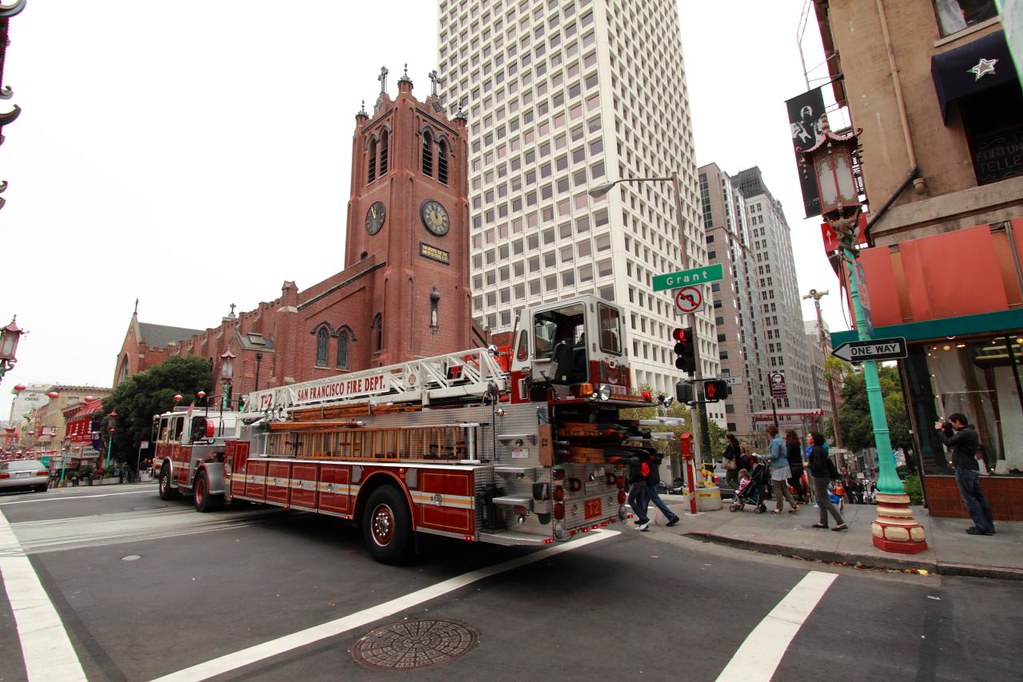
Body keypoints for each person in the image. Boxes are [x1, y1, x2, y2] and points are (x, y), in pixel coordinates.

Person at [936, 413, 995, 536]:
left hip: (964, 469)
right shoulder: (969, 433)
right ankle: (987, 525)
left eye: (952, 423)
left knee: (970, 499)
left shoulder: (965, 433)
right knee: (979, 498)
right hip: (971, 468)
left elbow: (948, 442)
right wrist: (948, 431)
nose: (951, 425)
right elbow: (953, 442)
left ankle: (982, 526)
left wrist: (939, 431)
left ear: (958, 422)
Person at [807, 432, 847, 531]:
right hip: (822, 476)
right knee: (820, 499)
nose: (807, 438)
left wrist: (808, 465)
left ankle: (840, 522)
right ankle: (823, 521)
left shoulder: (817, 450)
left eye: (809, 436)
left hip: (820, 477)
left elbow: (817, 466)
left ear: (814, 439)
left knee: (824, 499)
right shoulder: (820, 449)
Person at [764, 425, 799, 514]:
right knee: (783, 487)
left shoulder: (775, 441)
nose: (767, 435)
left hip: (778, 467)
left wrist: (764, 457)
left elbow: (775, 455)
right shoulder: (780, 440)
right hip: (784, 465)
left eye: (768, 433)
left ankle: (779, 507)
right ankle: (793, 504)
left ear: (770, 433)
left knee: (777, 488)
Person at [643, 452, 680, 527]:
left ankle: (671, 516)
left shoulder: (648, 458)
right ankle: (643, 519)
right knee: (645, 500)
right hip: (653, 481)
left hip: (649, 482)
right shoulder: (654, 459)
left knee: (654, 499)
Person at [627, 453, 651, 531]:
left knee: (630, 500)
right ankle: (644, 523)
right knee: (640, 503)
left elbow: (634, 474)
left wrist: (630, 480)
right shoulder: (640, 461)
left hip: (637, 483)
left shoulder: (632, 461)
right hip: (643, 483)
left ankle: (644, 519)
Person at [784, 430, 806, 503]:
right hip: (798, 465)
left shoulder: (789, 444)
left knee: (790, 481)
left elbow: (789, 455)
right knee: (796, 481)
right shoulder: (797, 443)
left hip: (792, 465)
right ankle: (801, 497)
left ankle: (803, 494)